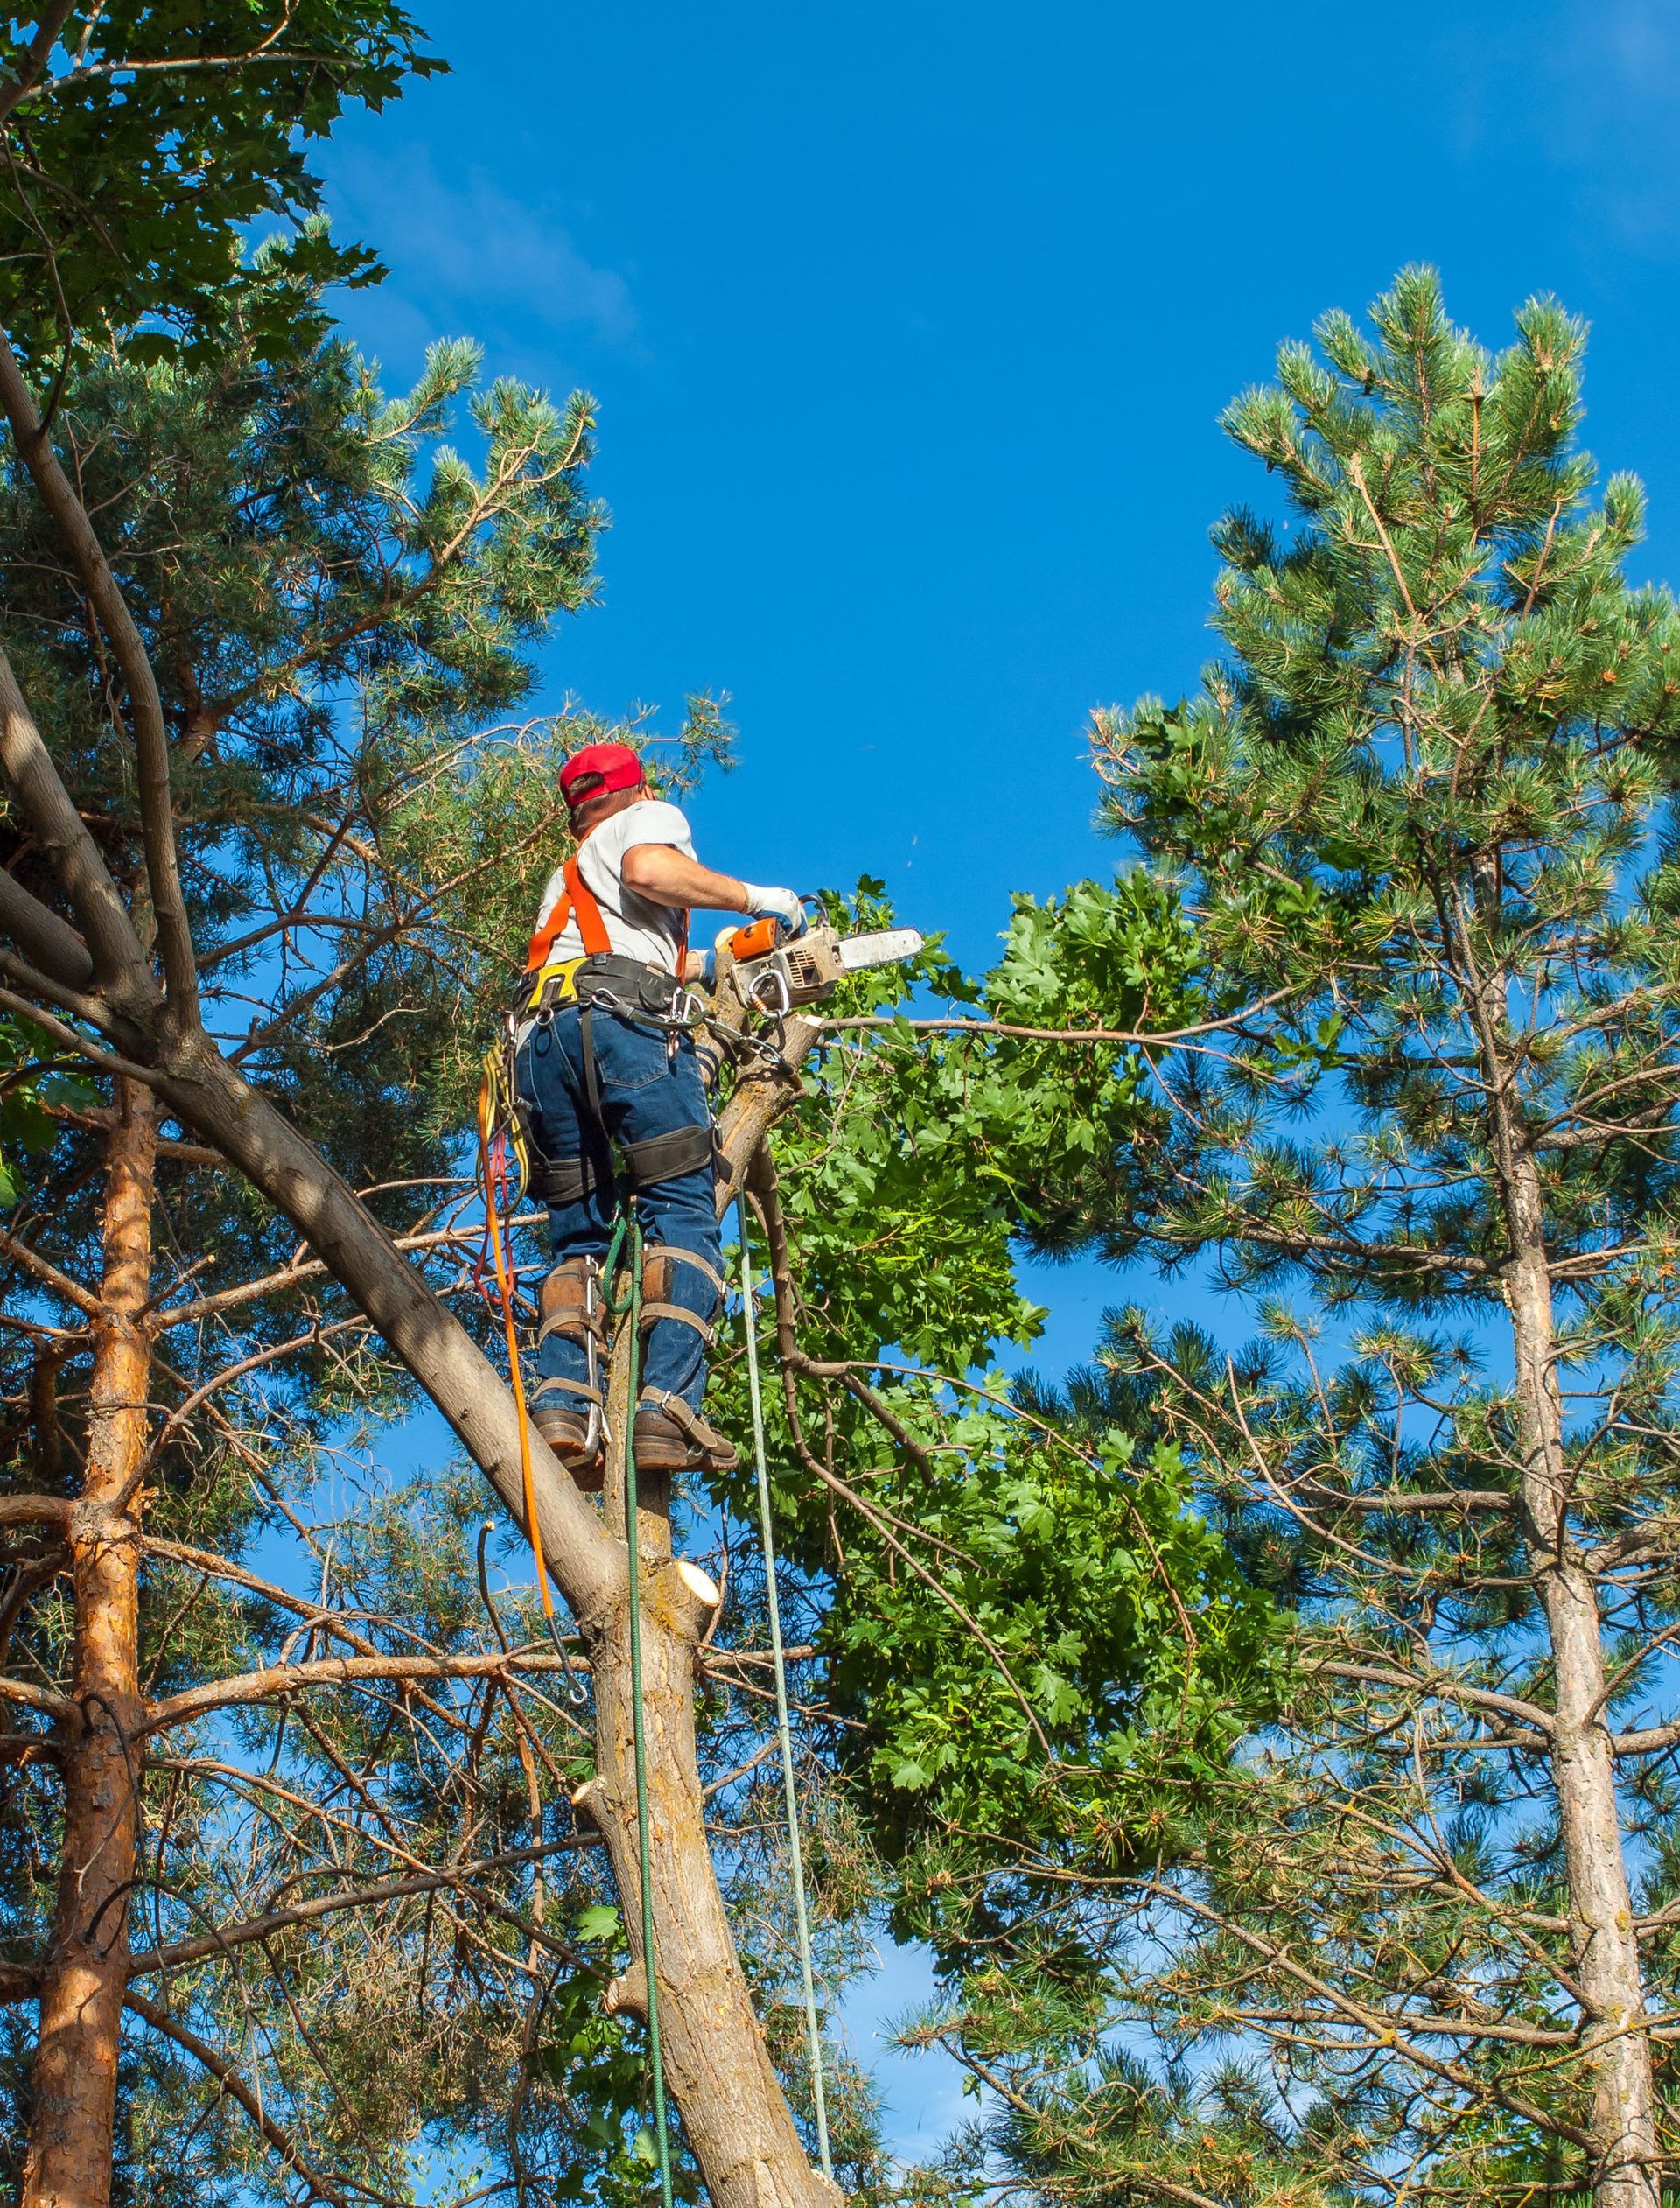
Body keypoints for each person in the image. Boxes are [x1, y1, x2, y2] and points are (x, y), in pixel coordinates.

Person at [512, 740, 805, 1490]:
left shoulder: (569, 873)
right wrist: (756, 897)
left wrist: (723, 960)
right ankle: (665, 1408)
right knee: (683, 1209)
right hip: (623, 1028)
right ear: (636, 793)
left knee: (578, 1235)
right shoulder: (645, 822)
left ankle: (566, 1409)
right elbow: (650, 871)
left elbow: (619, 945)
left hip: (542, 1046)